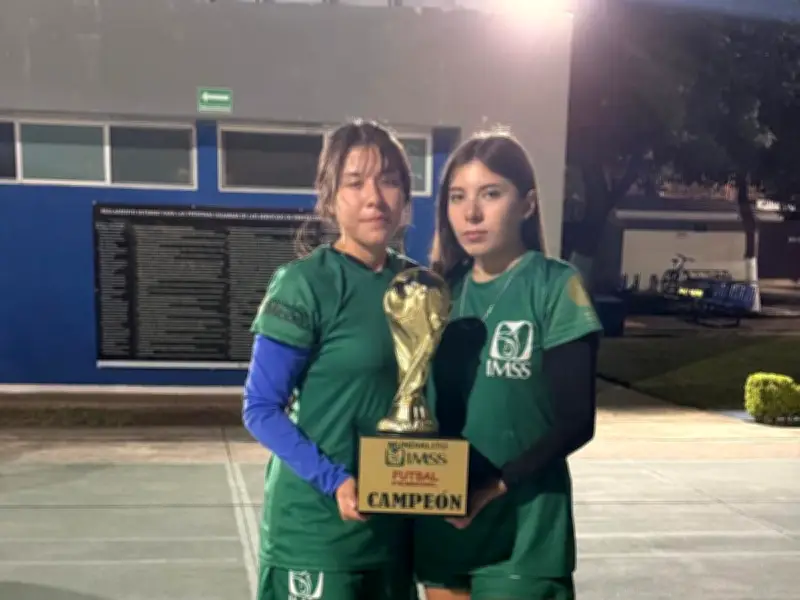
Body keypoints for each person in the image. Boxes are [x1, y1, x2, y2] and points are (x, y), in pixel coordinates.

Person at [414, 130, 603, 600]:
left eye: (490, 194)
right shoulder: (437, 292)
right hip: (445, 523)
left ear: (528, 204)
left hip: (524, 530)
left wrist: (493, 485)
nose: (471, 213)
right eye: (457, 197)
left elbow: (577, 421)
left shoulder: (554, 285)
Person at [243, 119, 419, 600]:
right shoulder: (305, 284)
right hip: (318, 535)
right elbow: (260, 408)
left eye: (388, 180)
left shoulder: (421, 288)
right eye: (355, 182)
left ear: (405, 194)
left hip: (393, 532)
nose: (374, 198)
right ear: (329, 195)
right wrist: (336, 480)